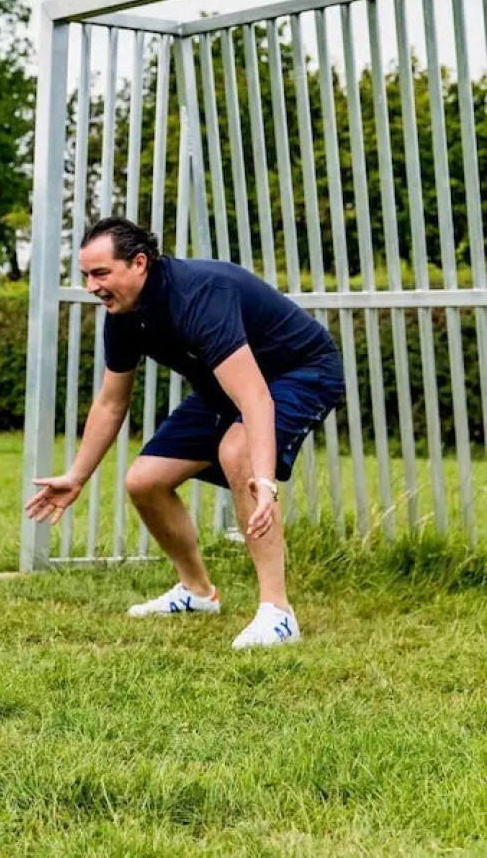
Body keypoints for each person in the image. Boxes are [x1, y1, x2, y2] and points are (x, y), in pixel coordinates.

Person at [27, 218, 344, 649]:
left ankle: (278, 614)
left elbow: (256, 401)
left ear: (139, 263)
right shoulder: (122, 313)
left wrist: (264, 484)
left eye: (100, 273)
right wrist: (76, 477)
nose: (90, 286)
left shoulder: (198, 295)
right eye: (85, 275)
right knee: (144, 481)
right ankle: (197, 592)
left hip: (301, 372)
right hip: (227, 386)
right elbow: (111, 401)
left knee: (238, 451)